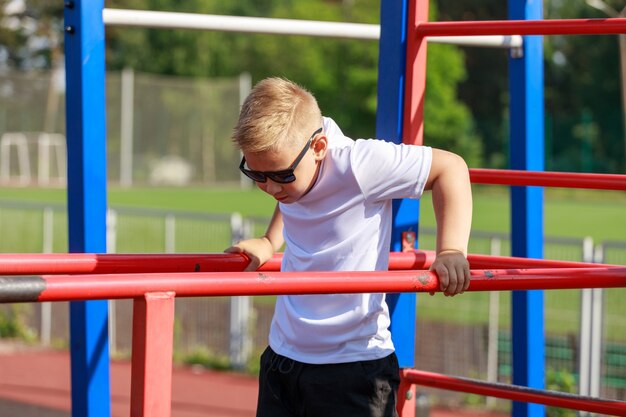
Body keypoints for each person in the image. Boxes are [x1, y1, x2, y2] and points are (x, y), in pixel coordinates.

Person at [225, 77, 472, 417]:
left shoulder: (360, 164)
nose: (269, 187)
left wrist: (451, 251)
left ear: (319, 147)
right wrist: (270, 240)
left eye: (280, 175)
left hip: (353, 364)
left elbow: (452, 168)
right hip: (284, 359)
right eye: (256, 175)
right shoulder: (295, 164)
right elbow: (296, 196)